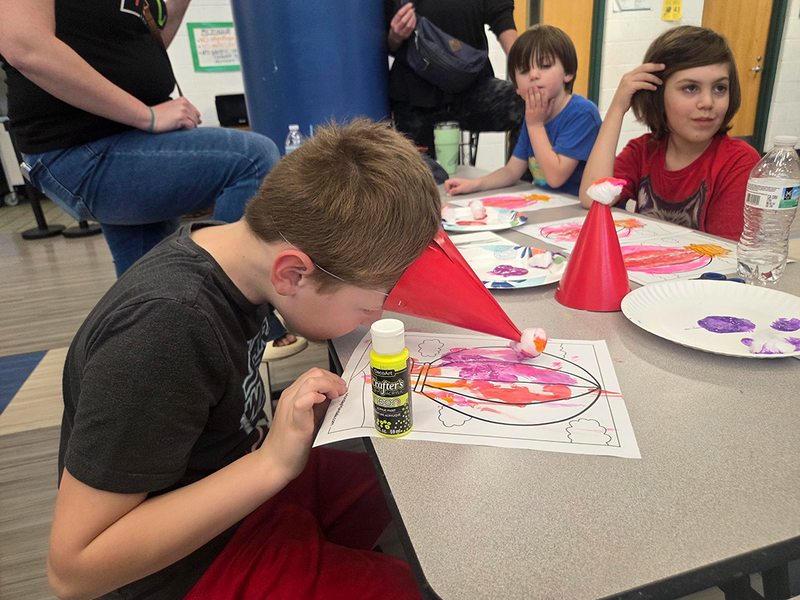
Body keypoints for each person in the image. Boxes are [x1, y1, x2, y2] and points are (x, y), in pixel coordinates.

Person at [46, 120, 441, 600]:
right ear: (292, 273)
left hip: (233, 486)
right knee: (408, 587)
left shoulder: (235, 256)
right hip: (181, 568)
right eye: (370, 304)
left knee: (408, 496)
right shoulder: (166, 328)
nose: (376, 316)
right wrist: (272, 464)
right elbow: (73, 570)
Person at [0, 0, 280, 277]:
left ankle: (184, 315)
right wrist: (147, 116)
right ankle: (226, 302)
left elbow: (143, 44)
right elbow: (25, 46)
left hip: (126, 139)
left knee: (151, 282)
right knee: (250, 159)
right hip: (81, 145)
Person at [579, 26, 761, 241]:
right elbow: (593, 199)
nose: (707, 102)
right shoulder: (643, 151)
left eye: (719, 88)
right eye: (691, 88)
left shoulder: (739, 162)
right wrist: (617, 108)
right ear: (658, 95)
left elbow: (728, 255)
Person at [445, 25, 602, 198]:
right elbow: (512, 171)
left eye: (545, 65)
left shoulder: (582, 113)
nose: (534, 75)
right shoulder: (534, 115)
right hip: (553, 207)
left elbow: (555, 178)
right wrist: (475, 184)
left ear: (568, 72)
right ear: (517, 88)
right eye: (525, 70)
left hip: (585, 213)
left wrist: (535, 125)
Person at [386, 0, 524, 160]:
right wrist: (394, 37)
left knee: (529, 103)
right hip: (414, 95)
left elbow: (502, 17)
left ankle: (519, 178)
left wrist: (524, 71)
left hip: (471, 87)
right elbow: (379, 42)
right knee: (421, 175)